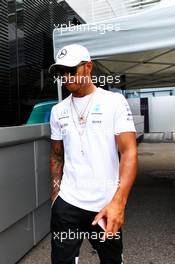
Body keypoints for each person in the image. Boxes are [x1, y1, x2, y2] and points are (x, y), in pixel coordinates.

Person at [49, 43, 138, 264]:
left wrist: (119, 202)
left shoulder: (113, 102)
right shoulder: (57, 111)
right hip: (67, 204)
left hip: (105, 205)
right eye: (61, 73)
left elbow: (129, 152)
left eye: (71, 71)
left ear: (88, 67)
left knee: (112, 260)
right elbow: (56, 155)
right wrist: (55, 197)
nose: (66, 78)